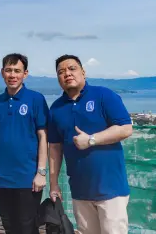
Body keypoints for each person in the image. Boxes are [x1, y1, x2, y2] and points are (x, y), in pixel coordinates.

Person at [48, 54, 133, 234]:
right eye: (61, 72)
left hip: (111, 189)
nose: (67, 74)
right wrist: (53, 183)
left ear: (83, 72)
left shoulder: (104, 95)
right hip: (80, 190)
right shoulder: (56, 108)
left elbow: (125, 128)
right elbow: (55, 148)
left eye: (72, 69)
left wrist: (92, 140)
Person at [0, 53, 50, 234]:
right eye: (9, 70)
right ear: (2, 73)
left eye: (17, 71)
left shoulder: (36, 99)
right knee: (9, 226)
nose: (13, 75)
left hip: (28, 177)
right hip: (1, 177)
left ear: (25, 74)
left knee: (28, 227)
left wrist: (41, 172)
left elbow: (43, 136)